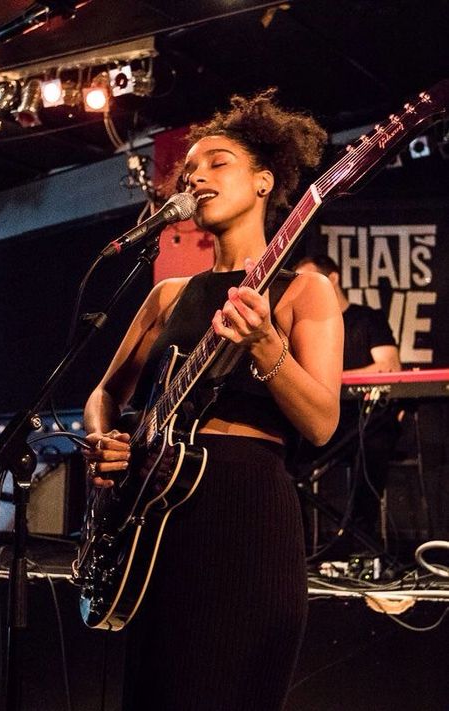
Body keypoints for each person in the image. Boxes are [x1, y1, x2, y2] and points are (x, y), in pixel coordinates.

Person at [83, 90, 343, 711]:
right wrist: (103, 439)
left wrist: (262, 345)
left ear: (263, 181)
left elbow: (322, 422)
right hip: (155, 519)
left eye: (217, 161)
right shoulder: (169, 295)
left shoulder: (304, 291)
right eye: (190, 167)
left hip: (248, 514)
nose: (197, 174)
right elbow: (104, 394)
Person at [293, 254, 401, 547]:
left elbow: (388, 366)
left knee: (374, 445)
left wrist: (331, 377)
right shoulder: (304, 325)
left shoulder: (367, 318)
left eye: (310, 279)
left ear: (333, 278)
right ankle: (301, 547)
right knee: (282, 455)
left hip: (363, 421)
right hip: (321, 422)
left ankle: (361, 542)